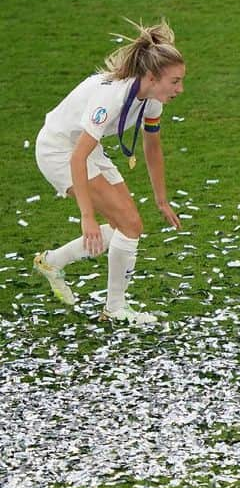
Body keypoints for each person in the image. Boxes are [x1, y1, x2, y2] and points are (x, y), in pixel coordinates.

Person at [32, 19, 186, 324]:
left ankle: (51, 262)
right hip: (60, 150)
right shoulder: (112, 98)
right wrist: (86, 216)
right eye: (175, 81)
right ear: (153, 77)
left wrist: (161, 199)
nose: (180, 89)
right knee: (130, 225)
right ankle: (114, 309)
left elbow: (152, 147)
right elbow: (77, 158)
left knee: (125, 227)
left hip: (85, 148)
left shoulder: (153, 99)